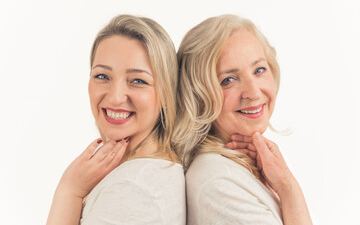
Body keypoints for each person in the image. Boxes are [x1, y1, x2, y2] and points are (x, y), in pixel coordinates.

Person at [173, 14, 312, 225]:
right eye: (228, 80)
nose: (254, 92)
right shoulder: (220, 183)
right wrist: (288, 187)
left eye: (259, 70)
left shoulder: (248, 167)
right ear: (198, 96)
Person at [47, 14, 186, 225]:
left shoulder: (133, 189)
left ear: (166, 94)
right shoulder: (141, 171)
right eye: (102, 76)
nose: (115, 97)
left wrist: (69, 191)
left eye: (138, 80)